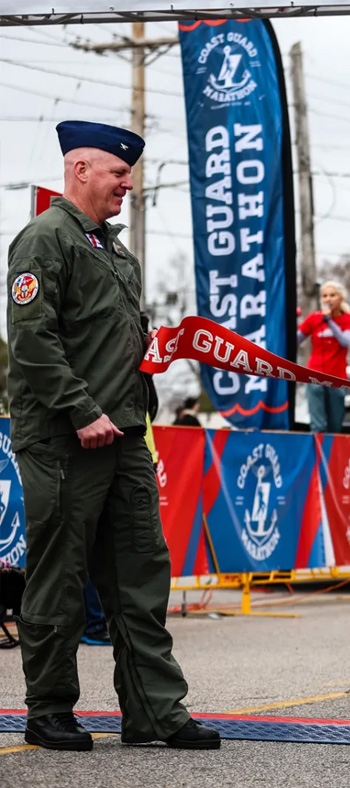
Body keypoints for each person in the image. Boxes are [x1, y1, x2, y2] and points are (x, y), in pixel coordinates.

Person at [6, 120, 219, 752]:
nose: (129, 185)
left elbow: (108, 339)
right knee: (60, 577)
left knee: (141, 576)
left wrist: (154, 359)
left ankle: (155, 711)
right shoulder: (45, 239)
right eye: (119, 174)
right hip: (66, 438)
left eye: (129, 174)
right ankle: (48, 712)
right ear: (81, 171)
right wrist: (80, 410)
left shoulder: (113, 249)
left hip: (124, 434)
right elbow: (33, 340)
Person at [298, 281, 350, 434]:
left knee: (335, 425)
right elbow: (295, 340)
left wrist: (329, 321)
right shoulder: (313, 318)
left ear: (341, 298)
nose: (328, 299)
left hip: (337, 377)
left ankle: (332, 454)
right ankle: (317, 455)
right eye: (324, 296)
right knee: (318, 426)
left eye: (332, 295)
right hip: (314, 375)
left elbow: (345, 342)